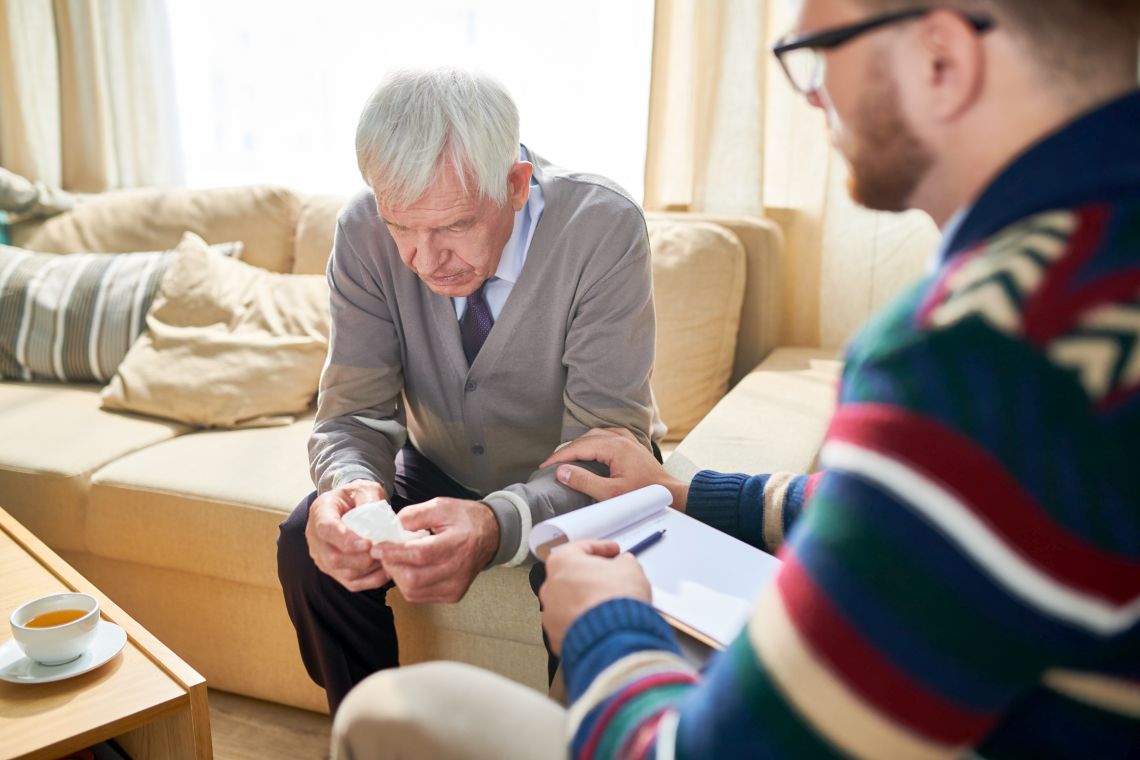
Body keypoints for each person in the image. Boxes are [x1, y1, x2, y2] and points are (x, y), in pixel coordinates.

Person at [330, 0, 1140, 757]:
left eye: (817, 53)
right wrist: (695, 495)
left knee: (389, 718)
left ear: (942, 60)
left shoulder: (975, 358)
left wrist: (609, 622)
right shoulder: (1090, 280)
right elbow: (952, 503)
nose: (815, 100)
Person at [277, 67, 662, 715]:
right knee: (307, 541)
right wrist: (350, 485)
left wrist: (496, 522)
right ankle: (370, 737)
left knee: (588, 585)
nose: (425, 260)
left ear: (514, 186)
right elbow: (352, 418)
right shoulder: (362, 231)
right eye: (403, 226)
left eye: (452, 226)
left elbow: (603, 449)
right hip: (438, 462)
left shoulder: (602, 227)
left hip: (581, 478)